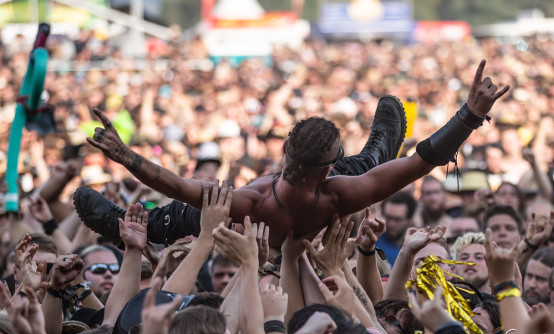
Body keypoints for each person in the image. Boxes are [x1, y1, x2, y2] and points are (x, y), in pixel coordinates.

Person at [76, 61, 509, 253]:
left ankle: (129, 226)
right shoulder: (339, 192)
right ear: (326, 168)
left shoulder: (253, 200)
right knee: (369, 168)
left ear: (286, 155)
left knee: (181, 213)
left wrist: (127, 156)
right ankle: (375, 155)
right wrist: (468, 115)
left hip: (262, 226)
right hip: (304, 219)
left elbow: (175, 183)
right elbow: (423, 161)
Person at [376, 191, 417, 266]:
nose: (391, 224)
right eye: (388, 217)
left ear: (409, 220)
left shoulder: (418, 248)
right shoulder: (375, 244)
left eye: (397, 219)